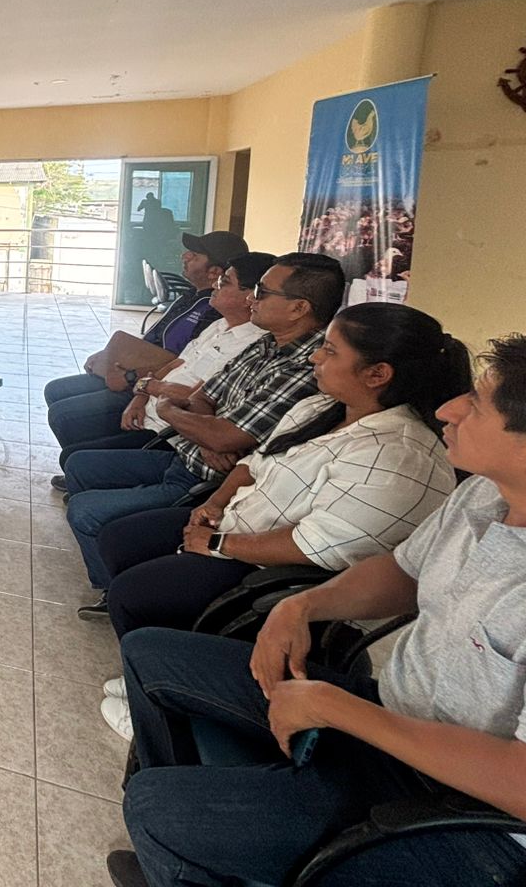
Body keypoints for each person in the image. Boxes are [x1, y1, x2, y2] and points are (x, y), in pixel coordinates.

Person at [106, 331, 526, 887]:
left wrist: (337, 708)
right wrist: (303, 606)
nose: (448, 408)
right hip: (395, 717)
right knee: (150, 655)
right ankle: (212, 850)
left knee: (155, 809)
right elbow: (402, 571)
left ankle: (196, 846)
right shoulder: (486, 496)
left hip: (467, 813)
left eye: (475, 404)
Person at [93, 302, 471, 737]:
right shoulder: (321, 409)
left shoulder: (397, 456)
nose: (315, 357)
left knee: (135, 595)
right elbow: (255, 462)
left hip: (275, 573)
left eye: (331, 351)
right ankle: (152, 671)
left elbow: (316, 546)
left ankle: (165, 708)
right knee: (121, 540)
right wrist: (214, 504)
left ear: (377, 374)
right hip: (235, 526)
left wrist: (216, 545)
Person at [65, 252, 344, 612]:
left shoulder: (304, 366)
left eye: (261, 291)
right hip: (186, 453)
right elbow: (203, 398)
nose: (253, 298)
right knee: (80, 465)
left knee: (87, 511)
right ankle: (119, 582)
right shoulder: (266, 343)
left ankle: (125, 593)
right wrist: (207, 431)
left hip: (208, 482)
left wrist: (185, 417)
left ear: (298, 308)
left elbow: (224, 434)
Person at [43, 230, 249, 465]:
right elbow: (161, 347)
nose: (185, 256)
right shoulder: (193, 298)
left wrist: (132, 378)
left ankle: (91, 463)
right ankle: (88, 462)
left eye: (195, 255)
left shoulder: (214, 312)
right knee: (56, 391)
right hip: (143, 379)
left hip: (149, 385)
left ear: (215, 271)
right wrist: (108, 356)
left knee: (65, 416)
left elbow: (180, 366)